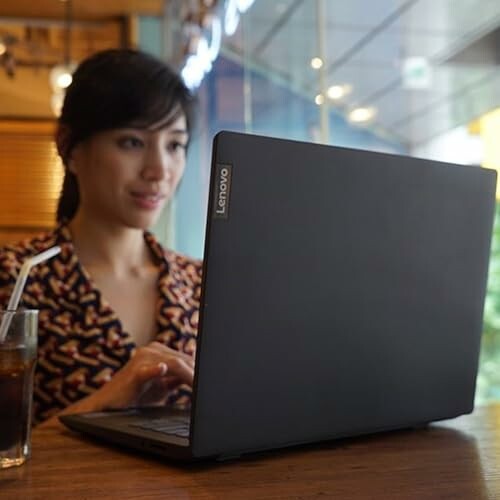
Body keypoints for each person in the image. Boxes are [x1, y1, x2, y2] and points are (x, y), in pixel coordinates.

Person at [0, 48, 201, 426]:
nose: (159, 170)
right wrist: (106, 402)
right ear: (69, 148)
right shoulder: (15, 277)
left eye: (175, 145)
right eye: (132, 142)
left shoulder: (203, 284)